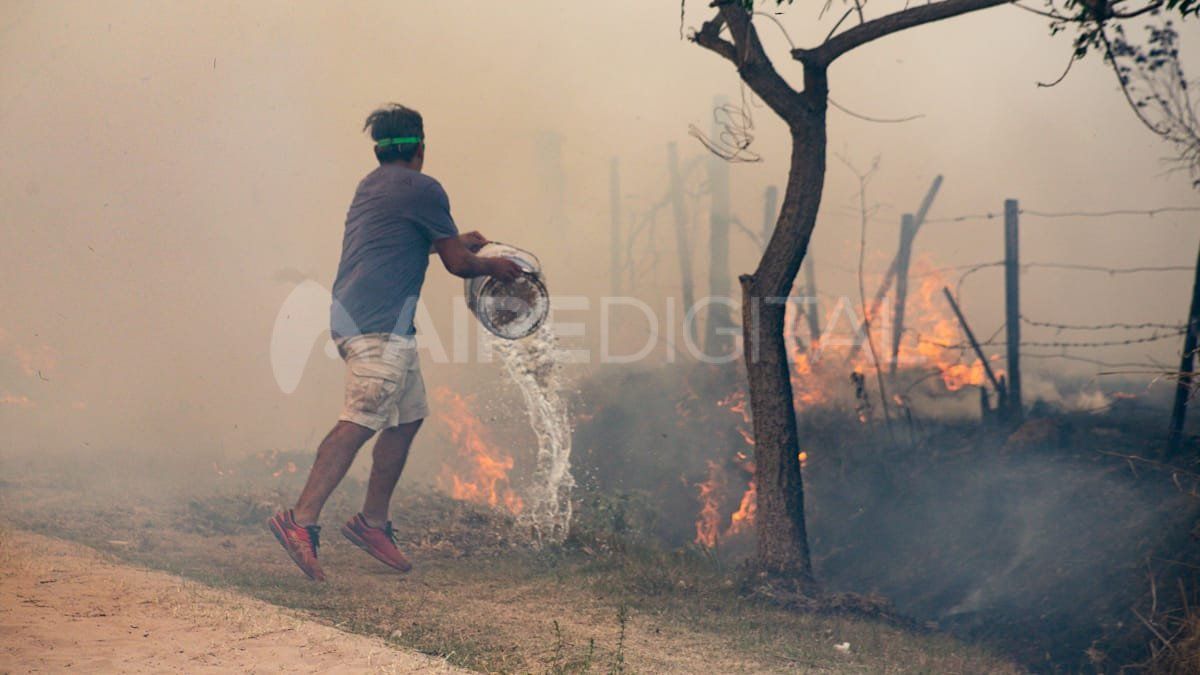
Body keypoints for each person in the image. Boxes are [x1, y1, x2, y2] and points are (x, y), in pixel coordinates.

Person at [268, 103, 523, 581]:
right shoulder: (424, 188)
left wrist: (451, 239)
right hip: (377, 325)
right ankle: (299, 520)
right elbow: (459, 265)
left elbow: (400, 240)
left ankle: (372, 522)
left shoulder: (373, 185)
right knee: (360, 420)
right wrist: (496, 266)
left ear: (380, 149)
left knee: (408, 418)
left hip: (374, 322)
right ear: (421, 147)